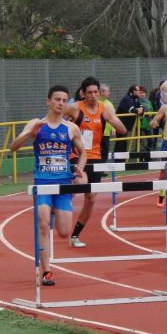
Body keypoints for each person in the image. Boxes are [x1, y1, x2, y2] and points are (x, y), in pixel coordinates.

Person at [10, 85, 88, 286]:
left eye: (64, 100)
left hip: (63, 183)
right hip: (43, 182)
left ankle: (54, 209)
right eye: (57, 99)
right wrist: (29, 133)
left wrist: (79, 168)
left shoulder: (71, 128)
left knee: (64, 232)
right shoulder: (36, 124)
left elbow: (83, 152)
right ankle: (46, 271)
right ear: (48, 101)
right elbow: (13, 147)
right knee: (43, 224)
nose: (61, 103)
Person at [64, 76, 127, 248]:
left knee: (91, 198)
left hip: (95, 157)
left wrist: (112, 121)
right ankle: (61, 200)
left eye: (95, 92)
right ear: (83, 93)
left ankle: (75, 235)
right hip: (76, 155)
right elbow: (55, 118)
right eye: (89, 92)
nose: (93, 95)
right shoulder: (75, 108)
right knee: (81, 182)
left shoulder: (104, 109)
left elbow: (123, 130)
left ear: (99, 92)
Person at [114, 85, 145, 155]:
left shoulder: (136, 99)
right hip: (120, 124)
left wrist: (140, 109)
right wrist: (138, 110)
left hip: (127, 125)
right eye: (138, 91)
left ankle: (122, 159)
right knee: (121, 143)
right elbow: (131, 110)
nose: (140, 92)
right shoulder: (126, 99)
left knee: (124, 142)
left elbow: (141, 107)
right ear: (133, 91)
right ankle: (119, 159)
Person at [98, 84, 116, 160]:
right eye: (108, 91)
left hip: (106, 133)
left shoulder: (109, 103)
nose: (109, 93)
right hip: (96, 132)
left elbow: (113, 116)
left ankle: (103, 165)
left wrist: (113, 127)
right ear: (101, 92)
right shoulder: (95, 102)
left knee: (105, 151)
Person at [138, 86, 154, 152]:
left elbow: (152, 111)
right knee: (140, 141)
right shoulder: (136, 101)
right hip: (139, 125)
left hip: (148, 124)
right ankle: (141, 155)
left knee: (151, 140)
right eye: (140, 92)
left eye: (143, 92)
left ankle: (148, 152)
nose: (142, 94)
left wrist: (150, 114)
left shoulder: (148, 102)